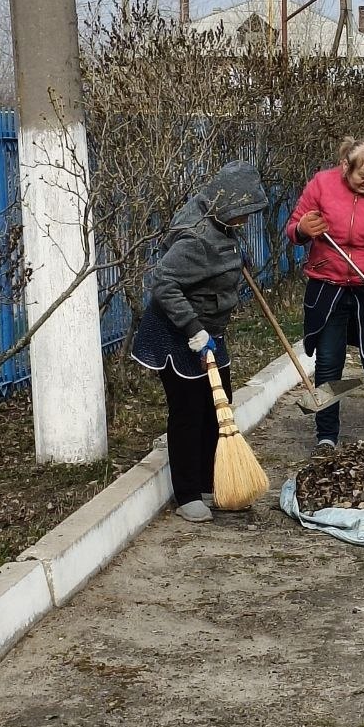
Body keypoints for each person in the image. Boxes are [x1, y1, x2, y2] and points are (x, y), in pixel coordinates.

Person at [131, 161, 268, 522]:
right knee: (189, 411)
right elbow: (164, 284)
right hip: (177, 333)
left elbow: (220, 259)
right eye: (243, 213)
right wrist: (193, 329)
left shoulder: (221, 221)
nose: (246, 220)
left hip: (208, 329)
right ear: (228, 205)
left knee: (218, 406)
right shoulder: (195, 238)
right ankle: (188, 492)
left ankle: (213, 480)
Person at [286, 135, 364, 450]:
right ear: (345, 166)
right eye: (362, 176)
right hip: (327, 287)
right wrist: (303, 229)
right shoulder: (321, 185)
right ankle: (326, 436)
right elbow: (293, 230)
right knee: (329, 364)